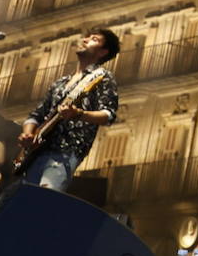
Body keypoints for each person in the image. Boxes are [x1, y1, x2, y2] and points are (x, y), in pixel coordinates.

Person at [16, 29, 120, 192]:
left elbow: (108, 115)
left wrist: (78, 114)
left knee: (42, 200)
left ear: (103, 52)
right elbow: (35, 116)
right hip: (37, 153)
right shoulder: (60, 83)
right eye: (86, 37)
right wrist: (28, 134)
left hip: (66, 151)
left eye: (93, 39)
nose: (85, 40)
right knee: (14, 204)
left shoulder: (102, 77)